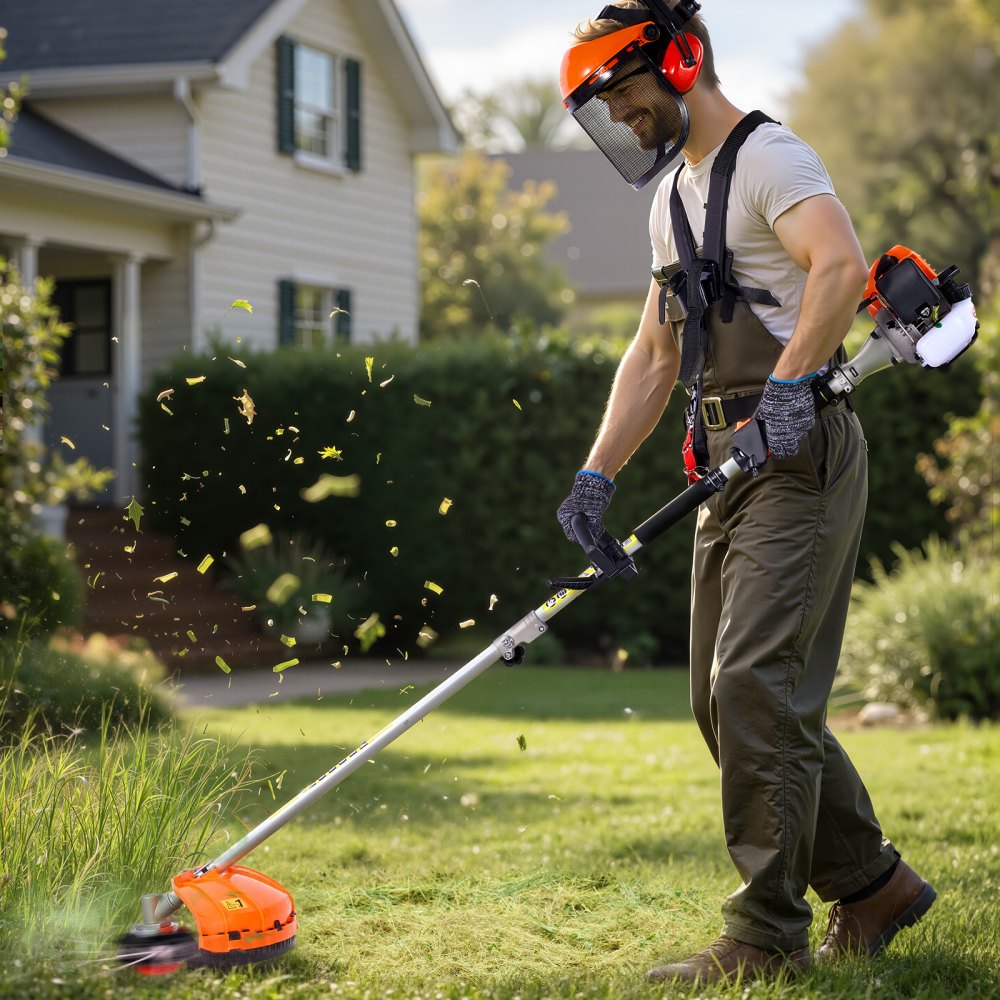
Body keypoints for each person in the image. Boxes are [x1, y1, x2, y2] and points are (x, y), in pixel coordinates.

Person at [555, 0, 936, 986]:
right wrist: (596, 474)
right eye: (605, 108)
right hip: (725, 459)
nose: (621, 119)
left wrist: (788, 390)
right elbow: (655, 351)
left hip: (798, 450)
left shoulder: (772, 159)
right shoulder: (670, 201)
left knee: (754, 685)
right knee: (721, 702)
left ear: (680, 60)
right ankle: (875, 884)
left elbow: (837, 266)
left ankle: (765, 935)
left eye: (625, 95)